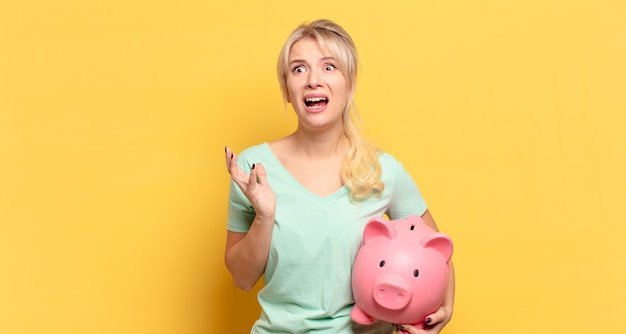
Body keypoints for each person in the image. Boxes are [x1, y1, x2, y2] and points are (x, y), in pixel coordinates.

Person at [224, 19, 455, 334]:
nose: (313, 80)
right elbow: (242, 278)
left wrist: (442, 311)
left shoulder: (382, 171)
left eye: (329, 67)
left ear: (350, 84)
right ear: (287, 90)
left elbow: (437, 252)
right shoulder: (254, 168)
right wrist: (265, 217)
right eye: (299, 69)